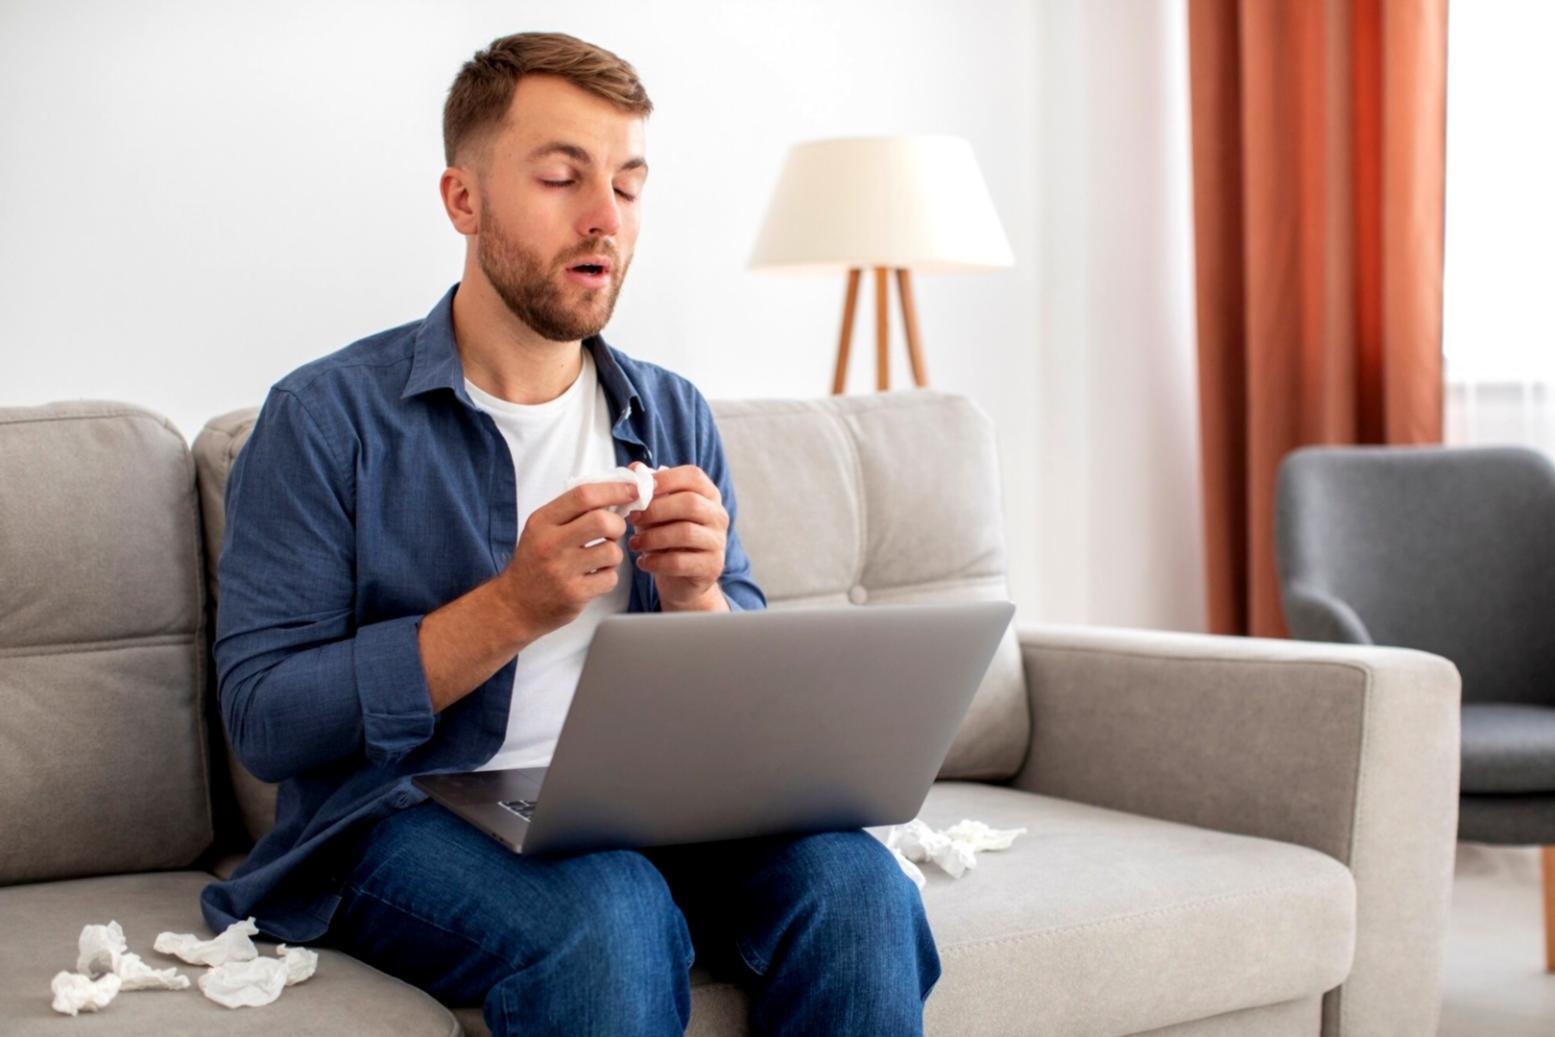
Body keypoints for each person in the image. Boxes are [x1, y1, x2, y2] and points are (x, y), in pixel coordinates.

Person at [202, 30, 940, 1036]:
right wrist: (510, 608)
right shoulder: (326, 419)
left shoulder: (670, 411)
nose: (604, 219)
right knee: (608, 909)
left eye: (629, 186)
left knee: (858, 886)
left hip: (657, 809)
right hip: (405, 818)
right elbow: (266, 719)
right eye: (561, 177)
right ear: (463, 201)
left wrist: (699, 600)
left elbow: (748, 671)